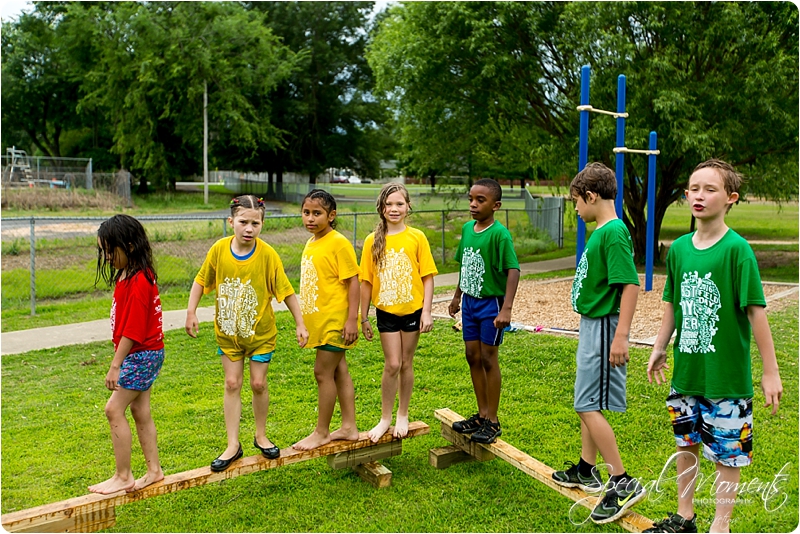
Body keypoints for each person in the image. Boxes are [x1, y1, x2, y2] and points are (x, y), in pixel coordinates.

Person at [645, 159, 783, 534]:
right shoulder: (678, 250)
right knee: (685, 444)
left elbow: (756, 314)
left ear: (730, 198)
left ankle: (720, 527)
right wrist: (660, 346)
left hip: (726, 378)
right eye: (694, 189)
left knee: (727, 455)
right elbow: (672, 303)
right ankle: (684, 516)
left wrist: (771, 372)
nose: (699, 196)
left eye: (710, 189)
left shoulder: (738, 251)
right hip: (686, 372)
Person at [550, 162, 646, 524]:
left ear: (591, 196)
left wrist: (621, 335)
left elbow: (630, 285)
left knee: (587, 405)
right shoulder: (602, 231)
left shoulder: (614, 232)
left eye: (576, 201)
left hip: (606, 328)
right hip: (592, 325)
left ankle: (622, 481)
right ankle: (586, 469)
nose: (576, 209)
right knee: (584, 400)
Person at [185, 195, 308, 472]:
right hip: (228, 335)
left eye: (255, 223)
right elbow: (201, 280)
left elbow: (287, 292)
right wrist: (191, 312)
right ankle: (232, 444)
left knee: (258, 384)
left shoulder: (268, 255)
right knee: (231, 383)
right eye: (243, 222)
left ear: (262, 224)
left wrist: (300, 323)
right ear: (231, 222)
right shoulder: (218, 250)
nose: (249, 228)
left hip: (261, 336)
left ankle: (261, 435)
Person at [89, 214, 165, 494]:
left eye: (110, 250)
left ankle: (123, 475)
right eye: (103, 251)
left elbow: (132, 331)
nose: (106, 257)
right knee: (140, 410)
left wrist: (115, 365)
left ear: (130, 246)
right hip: (145, 353)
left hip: (141, 354)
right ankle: (154, 471)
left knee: (113, 409)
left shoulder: (138, 282)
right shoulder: (130, 275)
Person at [360, 183, 438, 442]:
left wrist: (427, 312)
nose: (394, 209)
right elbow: (366, 281)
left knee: (406, 363)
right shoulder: (372, 241)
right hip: (386, 312)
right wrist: (364, 316)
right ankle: (385, 418)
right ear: (381, 209)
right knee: (392, 364)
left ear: (408, 207)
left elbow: (427, 276)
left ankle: (402, 414)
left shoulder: (417, 237)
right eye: (389, 204)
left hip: (412, 310)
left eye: (399, 204)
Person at [448, 178, 520, 445]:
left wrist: (507, 309)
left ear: (496, 205)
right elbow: (465, 266)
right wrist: (457, 296)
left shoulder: (500, 234)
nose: (473, 205)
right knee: (472, 355)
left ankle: (493, 420)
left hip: (491, 305)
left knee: (489, 358)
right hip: (470, 303)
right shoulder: (468, 229)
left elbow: (513, 270)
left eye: (480, 200)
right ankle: (480, 415)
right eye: (471, 199)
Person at [293, 189, 361, 451]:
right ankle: (349, 427)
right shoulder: (312, 242)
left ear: (331, 216)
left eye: (317, 213)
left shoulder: (338, 242)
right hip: (320, 323)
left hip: (336, 321)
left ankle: (321, 432)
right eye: (306, 212)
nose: (310, 218)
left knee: (322, 373)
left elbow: (352, 281)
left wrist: (352, 320)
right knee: (339, 369)